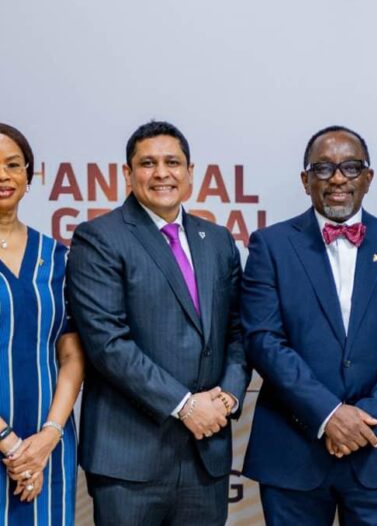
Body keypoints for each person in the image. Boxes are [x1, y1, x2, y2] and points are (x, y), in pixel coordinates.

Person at [241, 125, 377, 525]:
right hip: (293, 449)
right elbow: (263, 340)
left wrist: (366, 419)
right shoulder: (270, 245)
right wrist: (329, 414)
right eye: (323, 168)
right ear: (305, 180)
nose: (337, 178)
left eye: (351, 167)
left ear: (368, 177)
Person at [66, 120, 250, 526]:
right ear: (128, 174)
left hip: (206, 454)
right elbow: (108, 344)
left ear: (190, 172)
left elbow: (238, 332)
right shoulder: (99, 238)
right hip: (130, 458)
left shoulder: (218, 240)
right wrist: (185, 406)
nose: (162, 173)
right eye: (148, 163)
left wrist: (228, 397)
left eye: (173, 162)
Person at [0, 123, 84, 525]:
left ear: (28, 176)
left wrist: (49, 436)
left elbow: (71, 355)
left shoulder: (56, 256)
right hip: (14, 447)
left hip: (47, 446)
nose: (3, 175)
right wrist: (10, 444)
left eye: (13, 165)